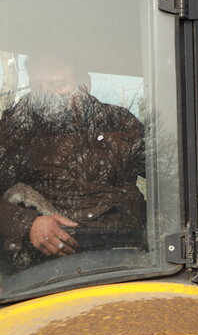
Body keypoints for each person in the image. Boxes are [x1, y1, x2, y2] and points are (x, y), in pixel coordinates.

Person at [0, 54, 145, 268]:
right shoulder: (17, 130)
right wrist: (27, 223)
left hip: (129, 252)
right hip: (50, 265)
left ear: (84, 84)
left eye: (57, 84)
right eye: (36, 86)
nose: (46, 93)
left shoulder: (119, 122)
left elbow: (170, 175)